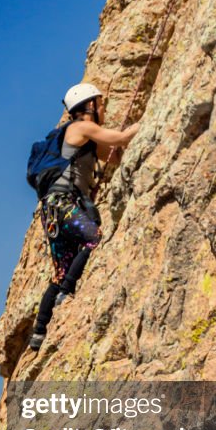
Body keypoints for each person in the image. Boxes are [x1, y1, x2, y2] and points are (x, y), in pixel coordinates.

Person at [29, 83, 139, 350]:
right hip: (64, 203)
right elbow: (122, 138)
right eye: (101, 104)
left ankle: (39, 331)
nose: (103, 109)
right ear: (88, 106)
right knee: (94, 238)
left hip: (52, 210)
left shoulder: (83, 138)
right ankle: (66, 293)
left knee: (60, 271)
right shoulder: (81, 126)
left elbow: (112, 156)